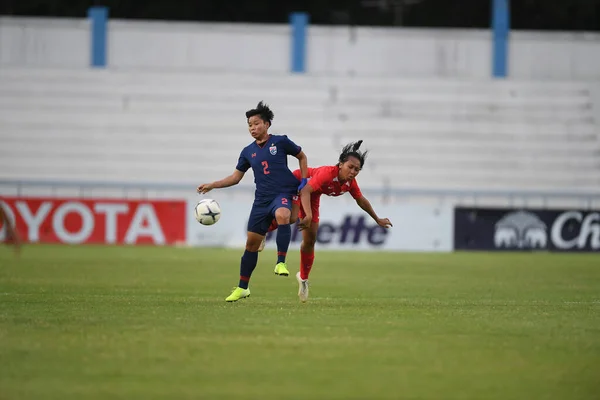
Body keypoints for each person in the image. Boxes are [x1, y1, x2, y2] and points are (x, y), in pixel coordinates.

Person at [197, 101, 308, 302]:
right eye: (249, 125)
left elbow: (302, 155)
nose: (252, 128)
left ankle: (281, 262)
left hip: (282, 192)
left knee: (283, 214)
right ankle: (243, 287)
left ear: (267, 124)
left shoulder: (280, 142)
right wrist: (213, 184)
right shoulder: (247, 152)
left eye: (256, 123)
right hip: (261, 200)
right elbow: (235, 178)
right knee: (251, 245)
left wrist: (305, 179)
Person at [264, 140, 392, 302]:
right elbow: (304, 190)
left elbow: (361, 200)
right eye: (350, 167)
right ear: (340, 165)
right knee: (292, 218)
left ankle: (303, 278)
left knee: (310, 240)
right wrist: (308, 215)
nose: (353, 172)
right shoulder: (327, 173)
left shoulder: (349, 183)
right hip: (298, 183)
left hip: (313, 194)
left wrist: (377, 219)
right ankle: (262, 230)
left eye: (357, 170)